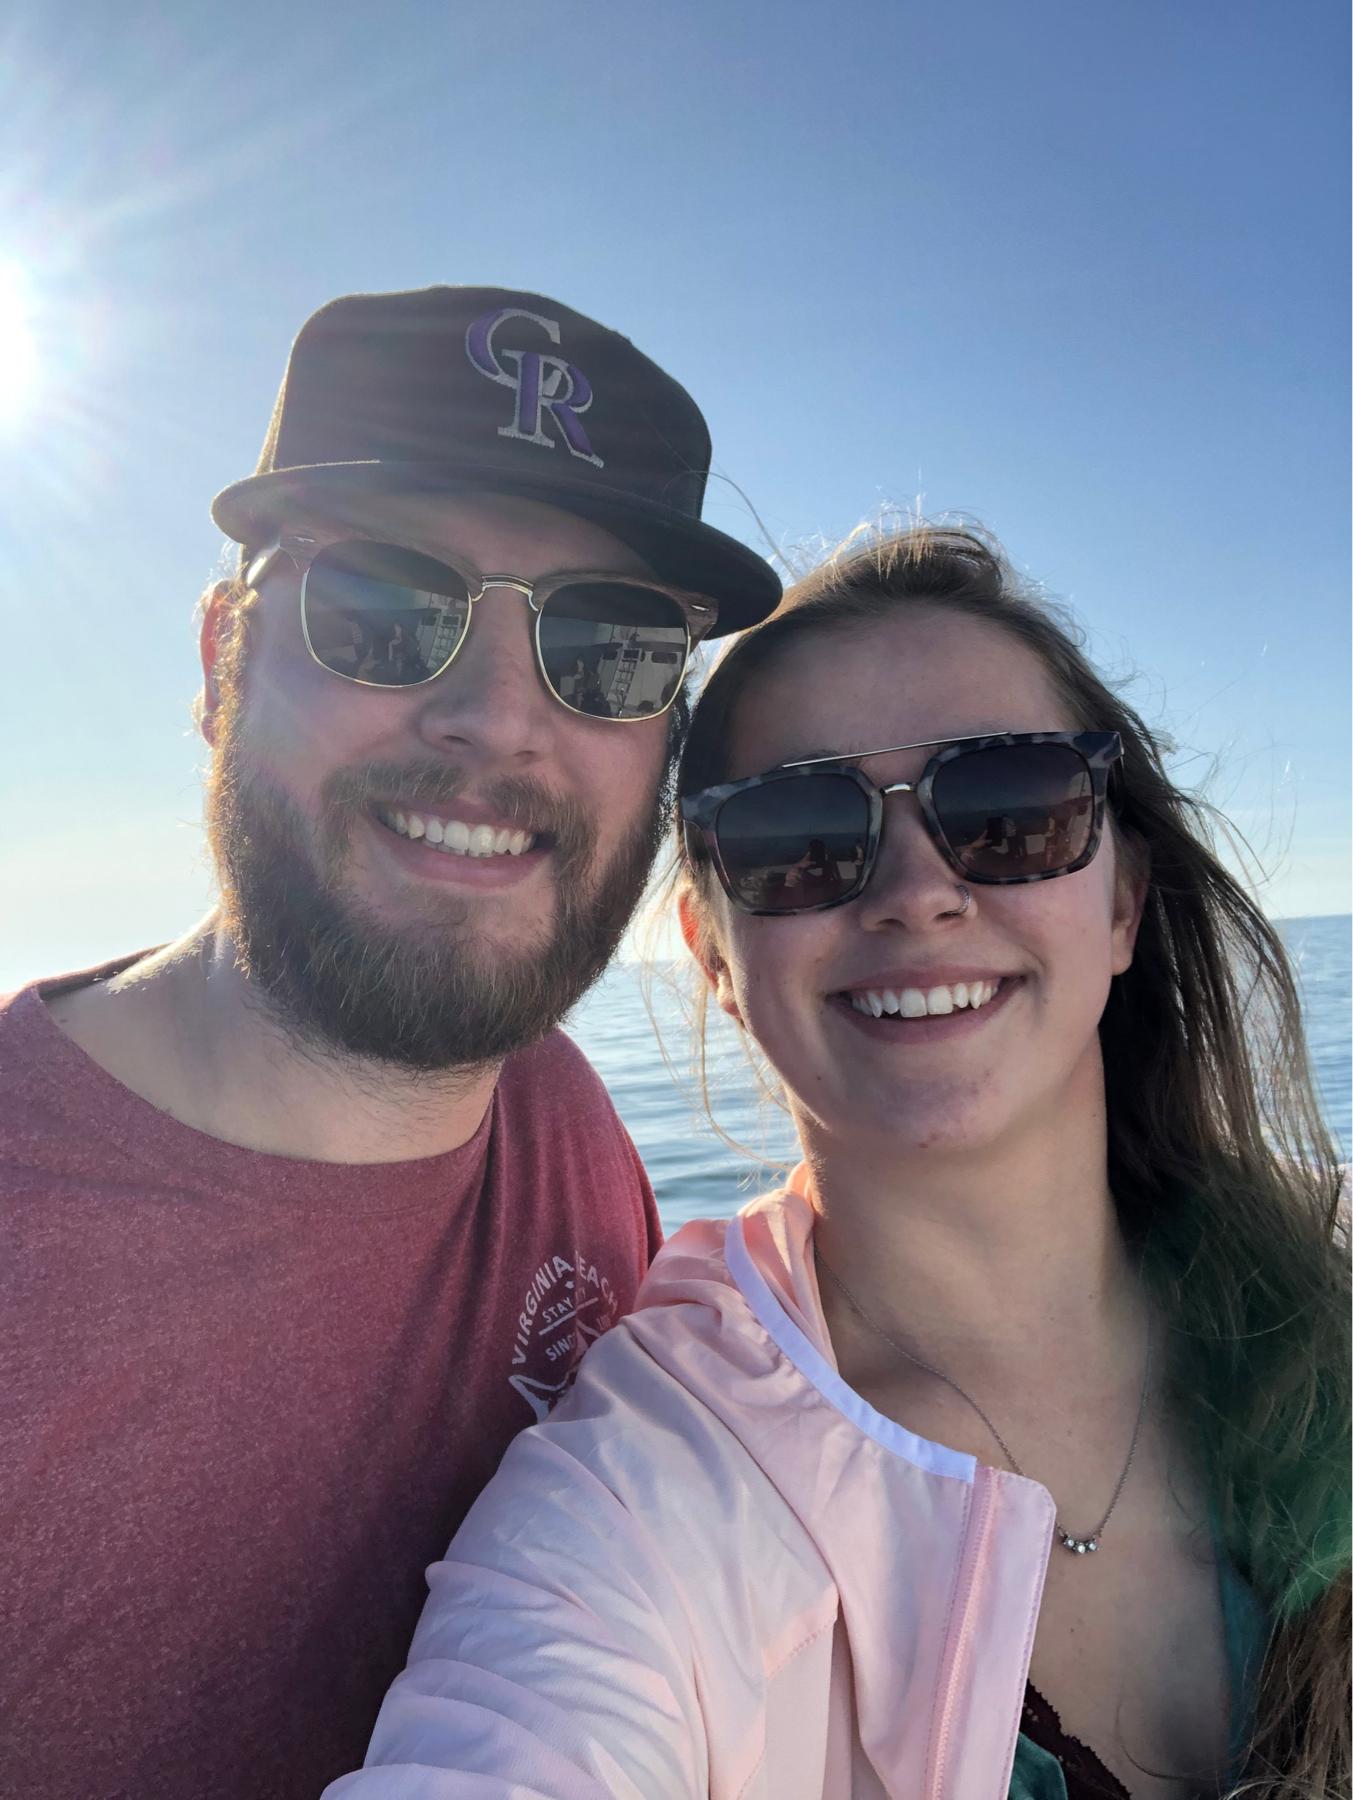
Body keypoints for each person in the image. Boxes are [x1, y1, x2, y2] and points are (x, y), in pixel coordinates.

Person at [325, 525, 1349, 1800]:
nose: (917, 891)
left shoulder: (1325, 1284)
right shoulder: (653, 1495)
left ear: (1123, 902)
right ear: (714, 954)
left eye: (1011, 808)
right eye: (797, 833)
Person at [0, 285, 780, 1799]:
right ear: (223, 657)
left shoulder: (560, 1121)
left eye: (610, 646)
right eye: (382, 608)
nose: (498, 719)